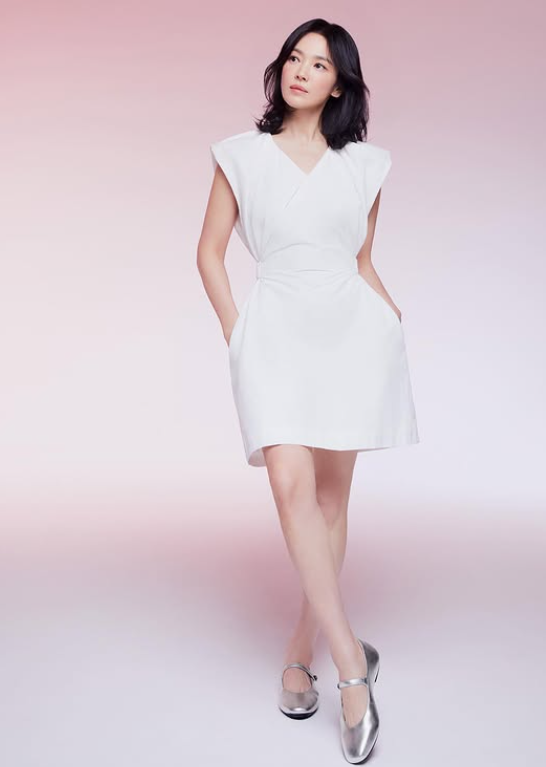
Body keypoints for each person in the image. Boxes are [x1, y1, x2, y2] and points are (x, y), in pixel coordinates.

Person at [197, 17, 419, 764]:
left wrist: (391, 318)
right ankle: (351, 663)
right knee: (290, 484)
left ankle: (302, 649)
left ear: (339, 83)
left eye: (319, 64)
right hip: (274, 331)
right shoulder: (240, 154)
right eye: (295, 57)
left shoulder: (365, 167)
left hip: (349, 335)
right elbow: (209, 253)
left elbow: (360, 261)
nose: (301, 70)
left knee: (328, 502)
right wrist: (238, 333)